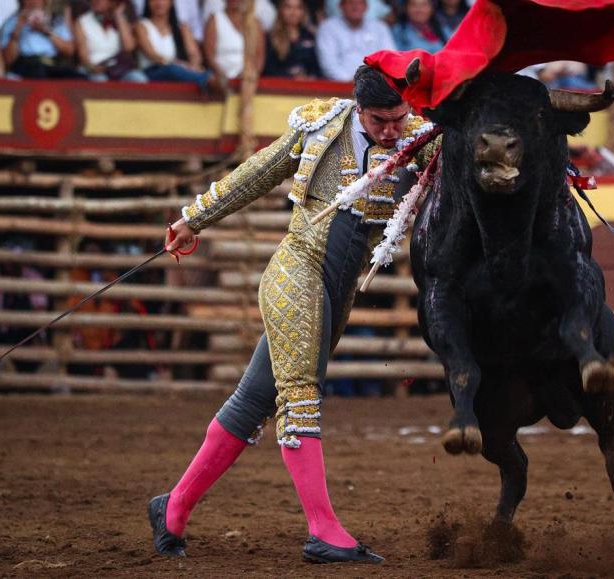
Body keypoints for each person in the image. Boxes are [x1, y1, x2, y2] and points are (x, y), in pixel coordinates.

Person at [148, 64, 438, 564]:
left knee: (252, 400)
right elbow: (258, 172)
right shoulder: (321, 125)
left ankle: (171, 508)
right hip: (296, 270)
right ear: (359, 109)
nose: (392, 131)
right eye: (379, 121)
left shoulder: (422, 138)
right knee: (300, 393)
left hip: (338, 291)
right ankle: (323, 530)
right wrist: (193, 219)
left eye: (398, 118)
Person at [135, 0, 222, 91]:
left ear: (171, 2)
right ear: (148, 3)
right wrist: (179, 64)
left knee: (186, 70)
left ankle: (208, 80)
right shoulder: (141, 26)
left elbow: (195, 55)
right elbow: (152, 55)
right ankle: (208, 80)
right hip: (152, 72)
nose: (159, 3)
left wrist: (193, 66)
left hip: (179, 71)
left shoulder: (181, 27)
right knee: (172, 70)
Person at [0, 0, 82, 78]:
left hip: (52, 64)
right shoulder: (12, 22)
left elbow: (69, 51)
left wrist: (45, 31)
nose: (33, 2)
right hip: (26, 64)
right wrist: (18, 28)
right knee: (38, 71)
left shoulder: (56, 20)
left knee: (78, 78)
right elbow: (7, 60)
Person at [315, 0, 394, 81]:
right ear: (341, 6)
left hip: (375, 84)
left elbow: (389, 59)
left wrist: (375, 83)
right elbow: (329, 65)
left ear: (366, 6)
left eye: (360, 3)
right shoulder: (328, 28)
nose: (355, 7)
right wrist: (351, 82)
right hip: (339, 84)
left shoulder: (380, 28)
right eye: (351, 3)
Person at [75, 0, 147, 81]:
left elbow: (129, 47)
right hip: (92, 68)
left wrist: (118, 15)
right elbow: (83, 55)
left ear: (112, 2)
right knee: (100, 79)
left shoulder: (121, 20)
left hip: (117, 68)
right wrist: (93, 68)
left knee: (138, 78)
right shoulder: (82, 21)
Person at [202, 0, 264, 81]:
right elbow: (209, 56)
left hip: (248, 79)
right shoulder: (214, 20)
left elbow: (259, 57)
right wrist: (222, 75)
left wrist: (250, 74)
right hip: (221, 79)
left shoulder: (254, 22)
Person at [262, 0, 320, 79]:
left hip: (308, 85)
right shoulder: (270, 38)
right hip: (280, 85)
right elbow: (268, 71)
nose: (293, 12)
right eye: (288, 7)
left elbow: (317, 69)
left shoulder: (310, 36)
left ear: (303, 11)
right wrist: (291, 77)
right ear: (281, 10)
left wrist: (309, 78)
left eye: (298, 8)